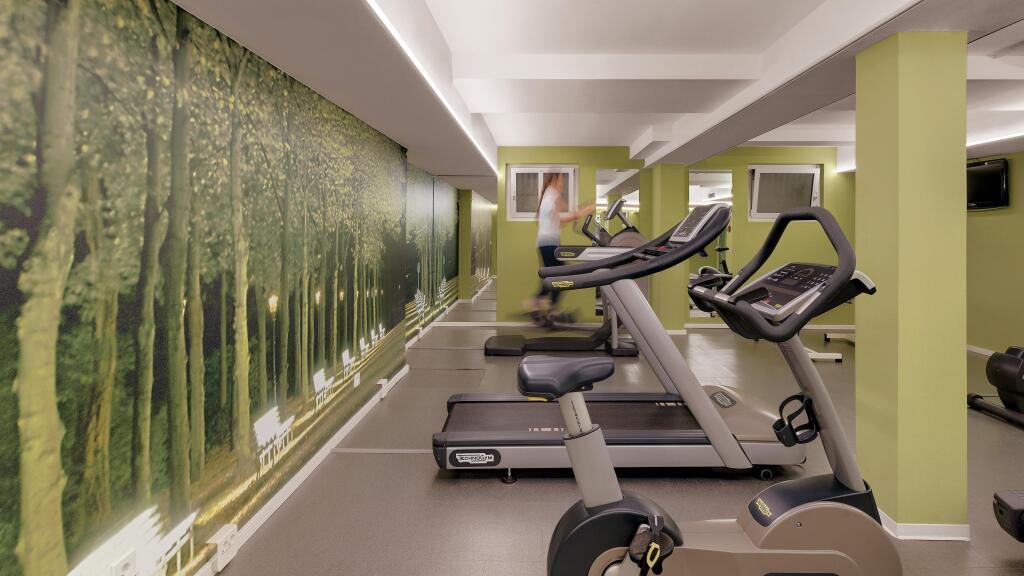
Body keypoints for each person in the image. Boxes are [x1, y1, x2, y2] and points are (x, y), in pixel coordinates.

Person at [526, 173, 594, 323]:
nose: (562, 185)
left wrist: (576, 213)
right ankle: (546, 305)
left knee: (553, 275)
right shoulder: (551, 195)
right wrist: (582, 212)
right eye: (561, 181)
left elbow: (554, 220)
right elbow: (563, 218)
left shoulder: (549, 195)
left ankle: (541, 303)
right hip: (548, 243)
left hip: (547, 242)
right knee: (560, 275)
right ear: (554, 181)